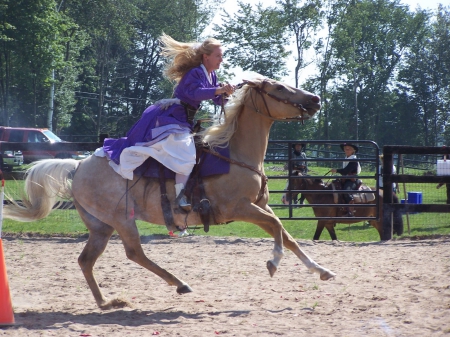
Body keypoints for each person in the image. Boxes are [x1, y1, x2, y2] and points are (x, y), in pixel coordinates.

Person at [96, 33, 235, 211]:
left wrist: (227, 94)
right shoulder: (194, 73)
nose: (221, 59)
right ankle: (179, 197)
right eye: (218, 56)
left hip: (183, 120)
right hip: (172, 118)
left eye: (221, 56)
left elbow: (217, 99)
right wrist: (218, 90)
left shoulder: (211, 75)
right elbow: (196, 93)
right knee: (187, 154)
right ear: (206, 57)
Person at [330, 143, 361, 217]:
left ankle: (351, 212)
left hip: (352, 180)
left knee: (346, 191)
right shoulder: (347, 158)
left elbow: (346, 171)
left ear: (353, 150)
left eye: (348, 149)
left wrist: (336, 170)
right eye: (345, 149)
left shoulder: (354, 159)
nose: (346, 150)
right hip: (346, 179)